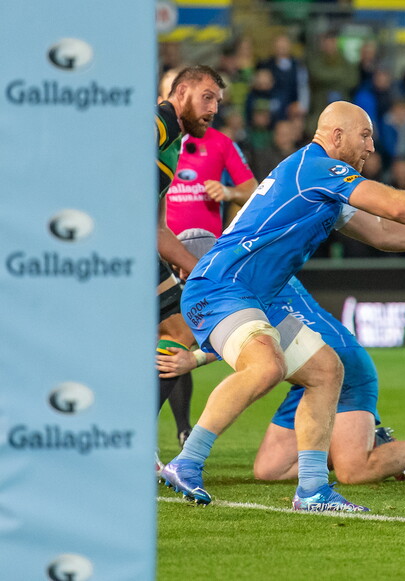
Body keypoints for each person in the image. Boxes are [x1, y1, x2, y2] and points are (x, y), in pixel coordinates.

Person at [160, 101, 405, 513]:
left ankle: (311, 490)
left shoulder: (322, 181)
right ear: (336, 135)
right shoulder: (316, 168)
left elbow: (384, 233)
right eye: (365, 136)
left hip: (256, 297)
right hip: (222, 287)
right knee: (267, 367)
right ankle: (187, 462)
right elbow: (396, 207)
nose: (371, 147)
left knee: (327, 371)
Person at [158, 221, 405, 486]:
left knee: (354, 472)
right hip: (307, 374)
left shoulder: (241, 283)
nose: (182, 275)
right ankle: (366, 443)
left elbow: (249, 341)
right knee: (269, 470)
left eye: (183, 265)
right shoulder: (245, 274)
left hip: (344, 366)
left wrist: (194, 359)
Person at [154, 65, 226, 457]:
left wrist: (196, 267)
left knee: (177, 331)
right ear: (181, 92)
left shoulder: (174, 143)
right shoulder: (158, 123)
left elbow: (157, 229)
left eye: (217, 101)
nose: (213, 108)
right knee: (179, 330)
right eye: (207, 97)